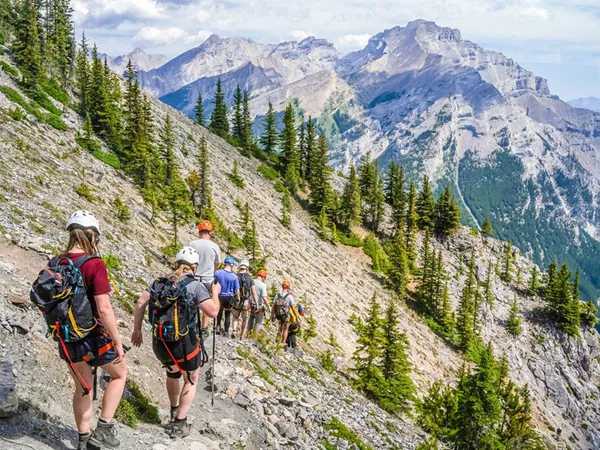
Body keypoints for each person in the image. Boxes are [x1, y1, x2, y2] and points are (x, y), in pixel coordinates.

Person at [32, 211, 127, 450]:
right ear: (91, 236)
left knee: (83, 388)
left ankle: (83, 440)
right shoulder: (94, 264)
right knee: (119, 374)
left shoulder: (56, 263)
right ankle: (103, 429)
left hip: (66, 338)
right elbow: (104, 309)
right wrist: (117, 340)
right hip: (93, 336)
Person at [131, 246, 220, 438]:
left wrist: (137, 330)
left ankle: (173, 410)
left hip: (160, 342)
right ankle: (180, 424)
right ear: (194, 268)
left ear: (176, 263)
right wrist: (215, 293)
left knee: (172, 374)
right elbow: (212, 312)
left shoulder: (158, 282)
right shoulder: (195, 286)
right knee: (191, 379)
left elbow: (140, 303)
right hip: (184, 343)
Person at [188, 220, 220, 335]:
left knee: (191, 302)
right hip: (207, 279)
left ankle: (192, 324)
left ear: (200, 231)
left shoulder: (192, 244)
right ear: (210, 232)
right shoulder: (215, 246)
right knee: (206, 301)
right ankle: (204, 328)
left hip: (193, 278)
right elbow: (217, 264)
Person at [231, 260, 259, 339]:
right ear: (247, 268)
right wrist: (256, 303)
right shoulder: (250, 278)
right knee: (245, 319)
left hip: (237, 299)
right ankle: (242, 335)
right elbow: (253, 292)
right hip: (246, 301)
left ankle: (233, 330)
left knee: (235, 316)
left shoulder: (236, 276)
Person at [213, 256, 239, 337]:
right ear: (231, 265)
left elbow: (214, 283)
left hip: (220, 295)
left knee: (219, 311)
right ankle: (226, 331)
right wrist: (238, 297)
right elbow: (237, 289)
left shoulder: (217, 273)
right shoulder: (234, 276)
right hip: (229, 296)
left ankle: (217, 326)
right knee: (227, 314)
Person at [271, 280, 297, 345]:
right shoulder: (289, 296)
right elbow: (293, 308)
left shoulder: (277, 295)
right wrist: (297, 317)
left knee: (280, 325)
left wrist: (272, 315)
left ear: (282, 286)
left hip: (278, 314)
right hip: (286, 315)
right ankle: (283, 343)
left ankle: (278, 337)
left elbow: (273, 306)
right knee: (286, 328)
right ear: (288, 287)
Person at [248, 269, 269, 334]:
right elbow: (264, 298)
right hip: (259, 306)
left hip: (250, 305)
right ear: (263, 277)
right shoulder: (263, 285)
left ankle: (248, 334)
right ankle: (254, 335)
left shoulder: (252, 281)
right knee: (258, 322)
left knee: (250, 319)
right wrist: (269, 306)